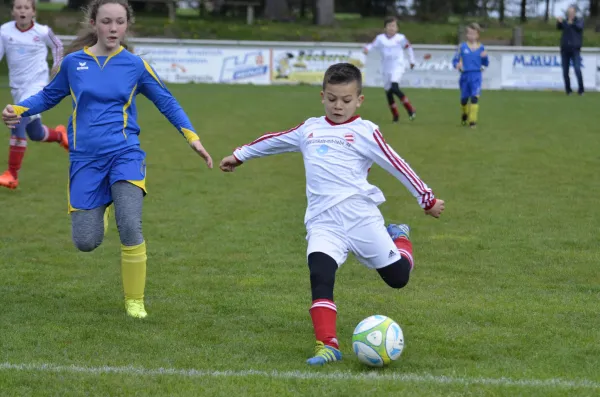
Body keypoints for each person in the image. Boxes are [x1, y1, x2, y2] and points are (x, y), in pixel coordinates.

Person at [219, 63, 445, 366]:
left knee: (398, 279)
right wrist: (240, 155)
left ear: (360, 100)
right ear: (322, 96)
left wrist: (426, 199)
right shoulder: (310, 129)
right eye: (333, 98)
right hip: (324, 222)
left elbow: (397, 164)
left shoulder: (365, 132)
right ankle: (328, 345)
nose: (339, 106)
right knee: (320, 275)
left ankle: (400, 237)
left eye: (347, 100)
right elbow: (275, 139)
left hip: (361, 218)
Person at [1, 0, 213, 319]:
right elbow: (48, 96)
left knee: (130, 224)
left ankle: (135, 301)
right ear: (94, 24)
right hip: (85, 159)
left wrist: (192, 137)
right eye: (106, 22)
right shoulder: (74, 64)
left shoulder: (135, 65)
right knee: (85, 241)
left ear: (126, 25)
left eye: (119, 22)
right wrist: (19, 110)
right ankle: (102, 207)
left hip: (125, 154)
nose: (113, 28)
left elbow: (167, 101)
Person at [0, 0, 67, 190]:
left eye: (26, 8)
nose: (22, 11)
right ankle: (60, 136)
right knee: (35, 133)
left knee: (17, 117)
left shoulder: (43, 31)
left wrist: (57, 67)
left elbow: (58, 46)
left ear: (33, 12)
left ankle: (11, 174)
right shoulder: (4, 31)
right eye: (18, 7)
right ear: (13, 11)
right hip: (17, 87)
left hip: (38, 85)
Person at [363, 17, 417, 123]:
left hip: (398, 65)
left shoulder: (401, 38)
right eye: (389, 26)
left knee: (394, 87)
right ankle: (395, 116)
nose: (392, 28)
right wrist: (366, 49)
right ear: (385, 28)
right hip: (385, 67)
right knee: (389, 92)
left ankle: (410, 109)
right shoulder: (380, 38)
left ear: (397, 28)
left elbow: (408, 48)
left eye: (394, 26)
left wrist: (412, 61)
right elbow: (372, 45)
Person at [452, 23, 489, 129]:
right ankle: (464, 115)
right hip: (465, 76)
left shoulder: (481, 48)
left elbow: (486, 64)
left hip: (476, 75)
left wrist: (485, 58)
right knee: (464, 99)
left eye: (473, 34)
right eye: (469, 33)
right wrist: (457, 65)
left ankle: (472, 121)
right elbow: (454, 60)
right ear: (467, 35)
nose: (471, 36)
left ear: (477, 35)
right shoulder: (462, 47)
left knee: (474, 98)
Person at [557, 6, 584, 95]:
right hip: (565, 49)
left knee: (577, 69)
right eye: (569, 12)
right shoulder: (565, 22)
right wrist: (559, 21)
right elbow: (559, 27)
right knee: (565, 71)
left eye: (572, 12)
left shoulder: (579, 21)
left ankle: (581, 89)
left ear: (575, 13)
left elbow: (579, 27)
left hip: (575, 49)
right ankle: (568, 90)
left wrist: (571, 23)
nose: (570, 14)